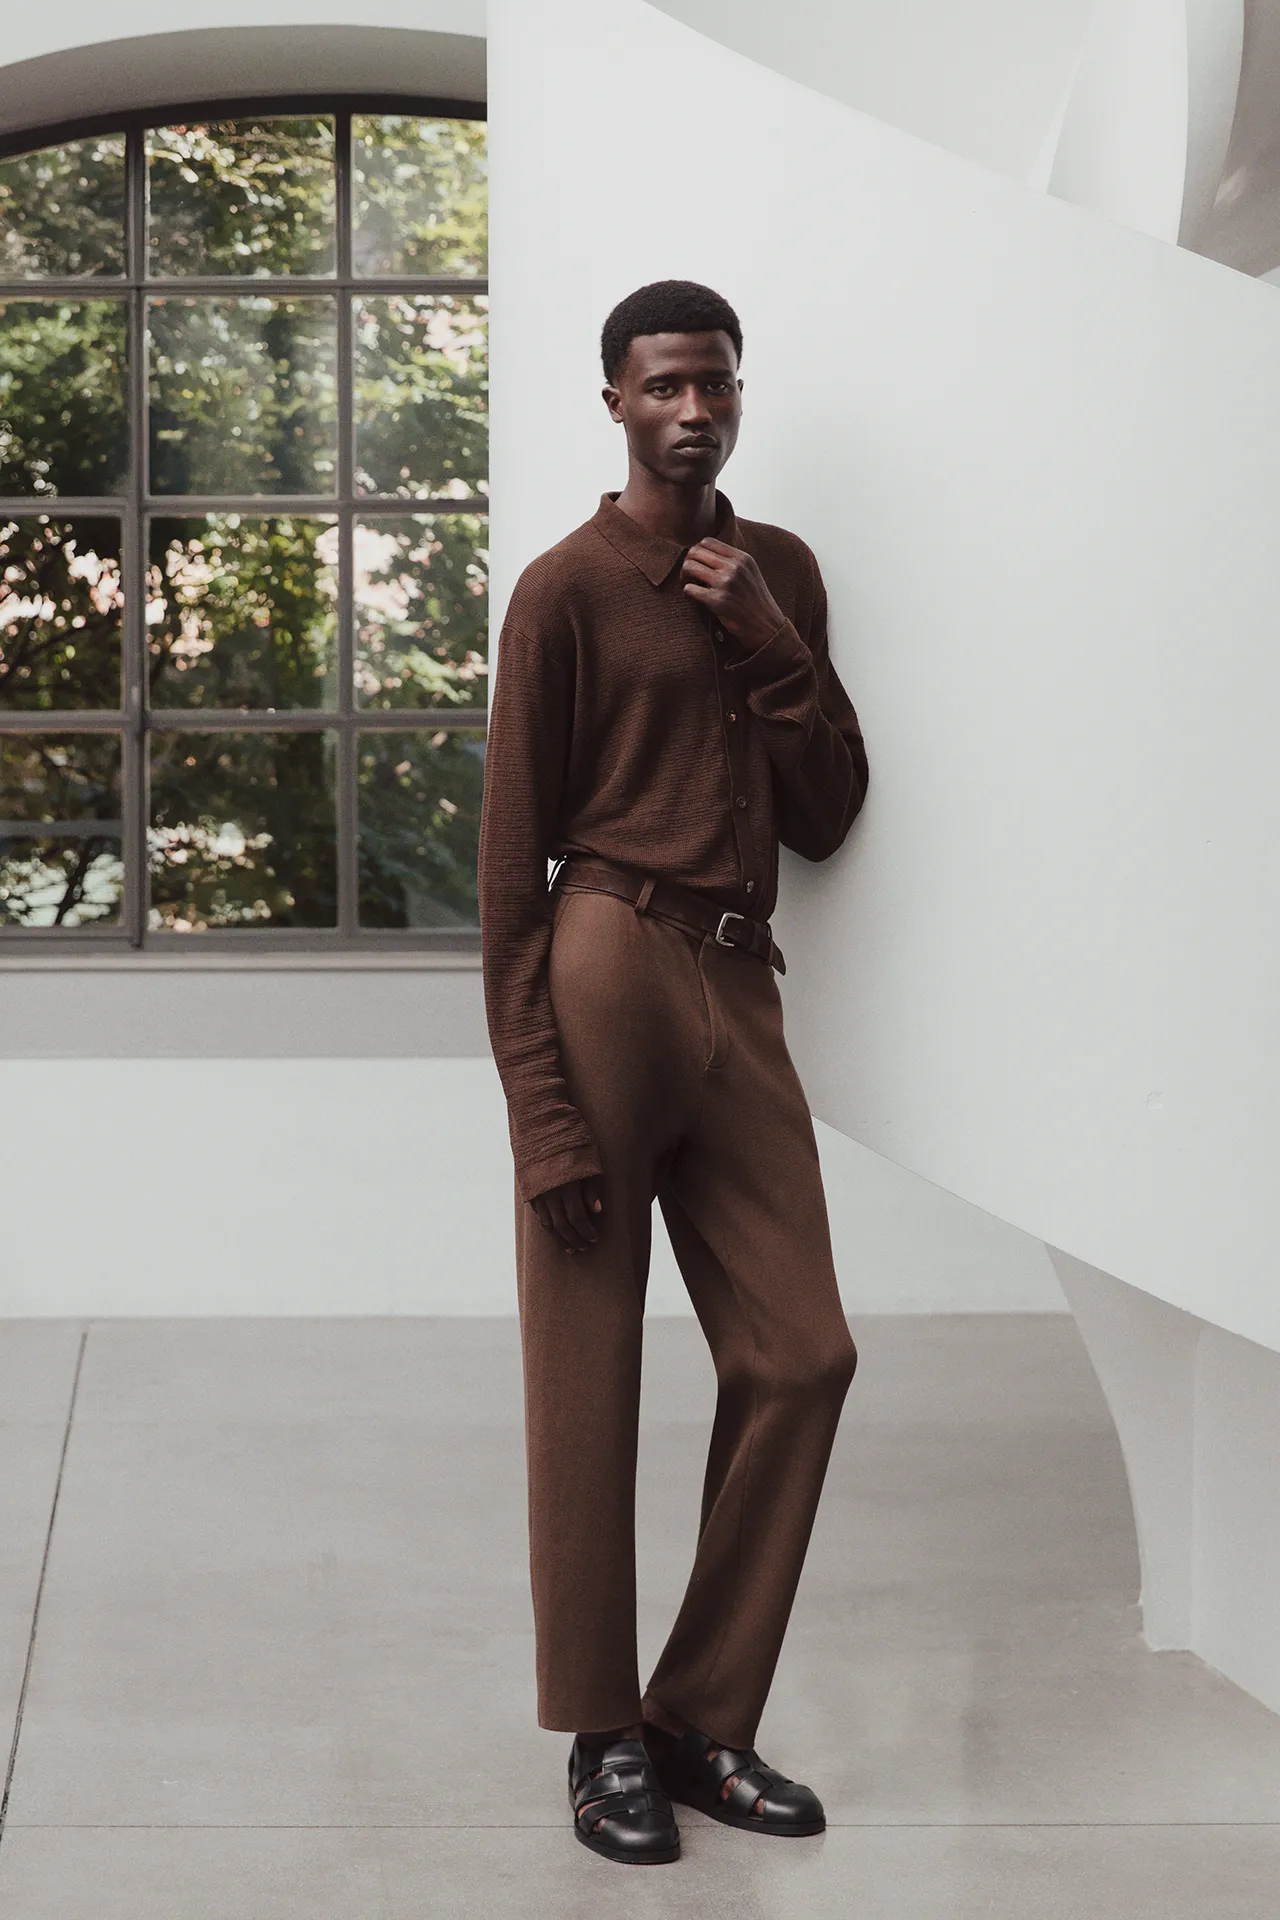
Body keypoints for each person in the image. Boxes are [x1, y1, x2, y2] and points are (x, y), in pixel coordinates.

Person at [477, 279, 869, 1867]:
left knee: (805, 1355)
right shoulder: (564, 592)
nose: (690, 409)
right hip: (605, 963)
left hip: (739, 979)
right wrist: (542, 1110)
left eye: (714, 384)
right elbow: (511, 877)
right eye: (661, 387)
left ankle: (698, 1719)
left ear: (736, 396)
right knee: (589, 1360)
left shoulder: (778, 576)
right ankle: (597, 1741)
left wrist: (767, 641)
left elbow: (832, 806)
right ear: (617, 404)